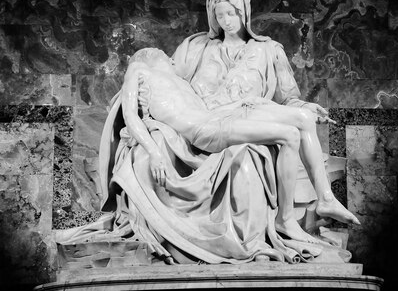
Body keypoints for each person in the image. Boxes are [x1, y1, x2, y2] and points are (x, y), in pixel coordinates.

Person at [123, 47, 359, 244]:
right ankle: (285, 220)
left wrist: (288, 106)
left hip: (218, 118)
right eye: (163, 54)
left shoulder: (182, 84)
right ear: (150, 56)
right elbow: (130, 116)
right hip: (207, 131)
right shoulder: (139, 69)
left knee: (303, 119)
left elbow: (210, 110)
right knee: (289, 136)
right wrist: (154, 153)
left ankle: (326, 199)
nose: (171, 58)